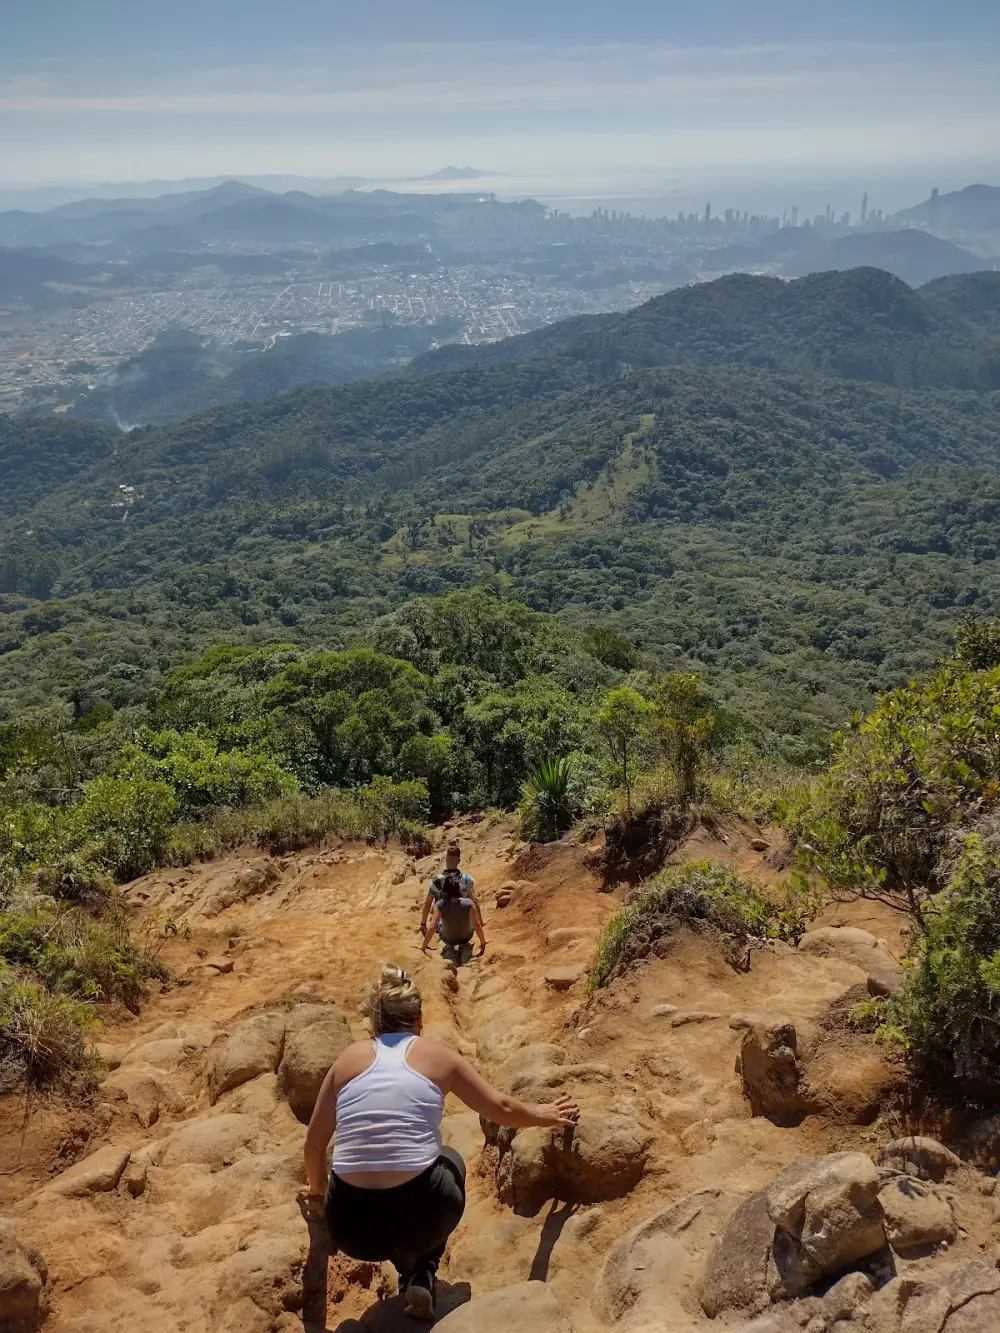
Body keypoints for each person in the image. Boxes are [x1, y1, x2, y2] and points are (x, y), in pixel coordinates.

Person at [301, 963, 579, 1320]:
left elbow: (314, 1144)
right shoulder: (437, 1056)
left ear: (375, 1022)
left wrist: (317, 1189)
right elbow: (502, 1108)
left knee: (388, 1191)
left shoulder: (346, 1061)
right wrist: (546, 1113)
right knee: (450, 1159)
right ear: (419, 1021)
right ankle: (423, 1269)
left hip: (351, 1230)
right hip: (424, 1214)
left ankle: (412, 1274)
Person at [421, 871, 487, 960]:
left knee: (435, 920)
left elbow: (432, 926)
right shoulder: (468, 903)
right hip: (466, 937)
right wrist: (483, 942)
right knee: (471, 922)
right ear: (458, 888)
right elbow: (477, 925)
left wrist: (423, 947)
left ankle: (450, 951)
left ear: (445, 890)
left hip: (447, 939)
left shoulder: (440, 904)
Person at [418, 841, 478, 939]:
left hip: (443, 928)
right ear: (458, 861)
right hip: (465, 927)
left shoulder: (438, 880)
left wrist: (423, 924)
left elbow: (427, 904)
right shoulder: (467, 879)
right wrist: (480, 922)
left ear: (446, 860)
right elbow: (475, 901)